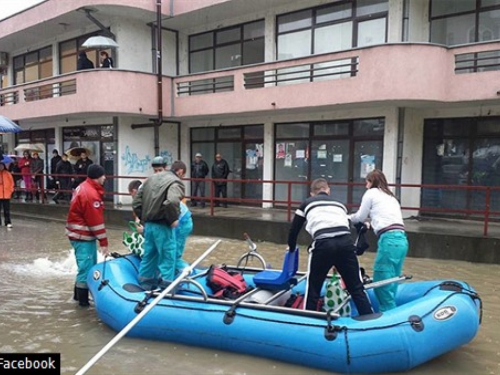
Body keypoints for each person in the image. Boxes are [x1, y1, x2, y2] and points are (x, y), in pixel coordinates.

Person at [287, 178, 373, 315]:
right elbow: (348, 224)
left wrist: (291, 248)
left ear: (312, 194)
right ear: (328, 190)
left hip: (323, 245)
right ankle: (369, 319)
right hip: (346, 244)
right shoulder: (340, 205)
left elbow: (294, 230)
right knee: (356, 288)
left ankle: (307, 320)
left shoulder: (306, 204)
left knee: (313, 288)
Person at [348, 169, 409, 312]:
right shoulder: (391, 197)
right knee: (392, 281)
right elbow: (386, 218)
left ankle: (388, 317)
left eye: (366, 182)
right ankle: (392, 310)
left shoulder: (371, 193)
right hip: (401, 240)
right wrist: (371, 225)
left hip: (389, 241)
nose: (365, 186)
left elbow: (359, 217)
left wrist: (347, 217)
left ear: (371, 182)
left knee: (381, 282)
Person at [132, 157, 185, 290]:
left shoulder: (148, 180)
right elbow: (172, 201)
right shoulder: (174, 182)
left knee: (149, 255)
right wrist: (173, 219)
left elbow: (136, 203)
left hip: (149, 225)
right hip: (163, 226)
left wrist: (143, 219)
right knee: (168, 257)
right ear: (179, 172)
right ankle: (166, 289)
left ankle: (144, 285)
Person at [66, 164, 109, 307]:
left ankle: (78, 298)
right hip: (82, 236)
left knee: (84, 267)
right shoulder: (90, 194)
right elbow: (95, 221)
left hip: (79, 235)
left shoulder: (84, 187)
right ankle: (83, 304)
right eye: (103, 175)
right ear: (97, 176)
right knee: (86, 269)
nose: (105, 178)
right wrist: (104, 242)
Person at [171, 161, 193, 274]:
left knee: (174, 252)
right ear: (179, 172)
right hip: (182, 218)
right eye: (183, 175)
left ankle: (186, 271)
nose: (183, 178)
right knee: (174, 249)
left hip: (181, 220)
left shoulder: (172, 182)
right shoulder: (174, 183)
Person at [0, 162, 14, 228]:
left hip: (6, 194)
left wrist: (10, 190)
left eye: (2, 166)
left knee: (7, 210)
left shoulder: (7, 174)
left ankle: (7, 222)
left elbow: (12, 183)